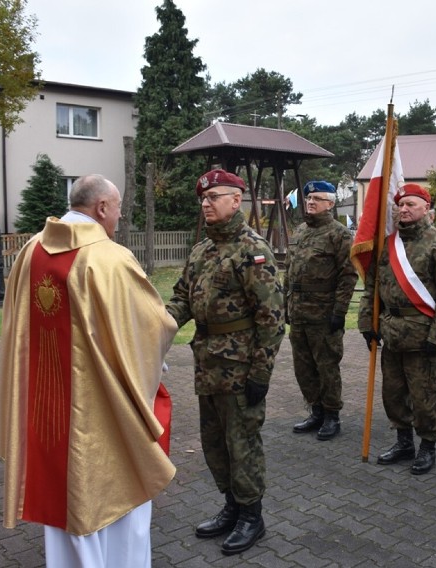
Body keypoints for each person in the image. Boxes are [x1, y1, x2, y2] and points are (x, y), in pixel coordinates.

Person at [0, 174, 178, 567]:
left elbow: (18, 329)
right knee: (120, 495)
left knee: (65, 503)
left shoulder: (30, 251)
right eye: (116, 210)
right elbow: (152, 326)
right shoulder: (109, 258)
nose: (117, 218)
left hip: (46, 408)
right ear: (101, 208)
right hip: (102, 411)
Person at [166, 169, 285, 555]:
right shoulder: (202, 250)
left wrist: (261, 373)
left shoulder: (253, 250)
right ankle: (231, 506)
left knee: (242, 442)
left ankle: (253, 516)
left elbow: (272, 317)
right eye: (203, 197)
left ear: (237, 201)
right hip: (207, 363)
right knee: (215, 442)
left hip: (240, 367)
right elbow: (182, 297)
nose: (206, 203)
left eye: (214, 196)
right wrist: (155, 325)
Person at [358, 183, 436, 475]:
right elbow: (372, 288)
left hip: (423, 336)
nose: (404, 210)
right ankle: (404, 442)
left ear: (426, 208)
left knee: (425, 395)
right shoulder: (389, 244)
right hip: (392, 334)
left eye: (411, 205)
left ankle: (427, 446)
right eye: (400, 205)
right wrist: (368, 323)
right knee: (393, 393)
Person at [285, 180, 358, 441]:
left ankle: (331, 415)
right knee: (303, 367)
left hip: (323, 314)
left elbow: (348, 275)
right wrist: (286, 304)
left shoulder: (339, 234)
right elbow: (290, 269)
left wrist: (339, 311)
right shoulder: (301, 231)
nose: (311, 202)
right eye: (308, 198)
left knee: (326, 366)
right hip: (299, 314)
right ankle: (315, 410)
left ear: (330, 203)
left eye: (317, 198)